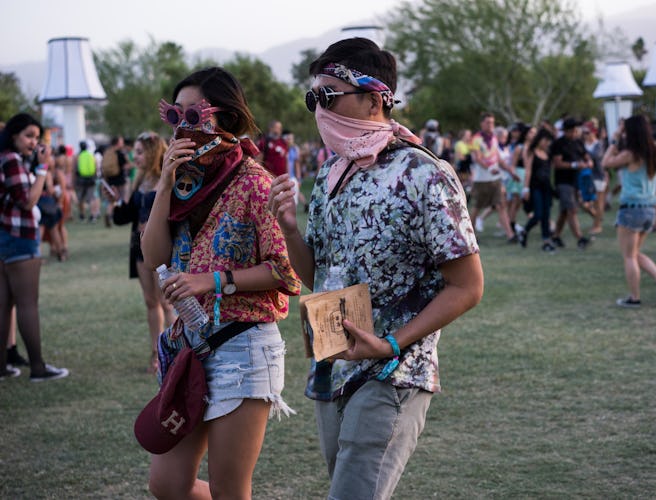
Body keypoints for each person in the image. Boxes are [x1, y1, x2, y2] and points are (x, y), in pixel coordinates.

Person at [268, 37, 483, 499]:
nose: (318, 109)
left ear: (374, 98)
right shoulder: (329, 174)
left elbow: (467, 286)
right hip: (332, 366)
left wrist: (389, 345)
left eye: (328, 96)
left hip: (394, 372)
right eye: (313, 99)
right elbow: (320, 274)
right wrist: (288, 231)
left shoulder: (425, 173)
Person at [140, 67, 301, 498]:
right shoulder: (183, 184)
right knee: (167, 484)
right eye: (175, 117)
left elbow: (287, 273)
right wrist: (163, 187)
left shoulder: (253, 181)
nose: (182, 128)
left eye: (194, 116)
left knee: (231, 489)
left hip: (243, 347)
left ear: (225, 117)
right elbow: (153, 257)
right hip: (190, 347)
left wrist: (211, 281)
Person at [0, 113, 69, 380]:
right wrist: (42, 169)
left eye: (37, 138)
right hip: (20, 237)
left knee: (4, 304)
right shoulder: (11, 160)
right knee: (27, 304)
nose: (33, 142)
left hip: (5, 236)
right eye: (29, 136)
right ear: (14, 135)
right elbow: (28, 202)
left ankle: (3, 366)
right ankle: (38, 367)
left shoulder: (7, 159)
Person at [105, 132, 176, 374]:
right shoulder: (139, 180)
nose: (134, 157)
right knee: (150, 301)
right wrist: (115, 202)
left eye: (139, 151)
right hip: (138, 247)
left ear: (153, 152)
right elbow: (124, 218)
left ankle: (177, 351)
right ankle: (156, 352)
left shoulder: (169, 179)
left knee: (167, 302)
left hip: (163, 248)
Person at [602, 115, 656, 308]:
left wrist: (615, 137)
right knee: (634, 253)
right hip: (649, 208)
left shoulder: (631, 153)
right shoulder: (654, 151)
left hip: (632, 209)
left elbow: (606, 163)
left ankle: (634, 298)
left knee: (629, 256)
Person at [471, 113, 516, 241]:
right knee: (477, 208)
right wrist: (491, 168)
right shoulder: (476, 139)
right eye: (488, 122)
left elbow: (498, 159)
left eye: (492, 122)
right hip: (481, 180)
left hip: (495, 179)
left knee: (501, 205)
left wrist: (511, 171)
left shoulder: (494, 138)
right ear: (482, 124)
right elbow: (478, 158)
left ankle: (510, 235)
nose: (491, 125)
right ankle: (471, 235)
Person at [550, 118, 592, 249]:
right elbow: (557, 163)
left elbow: (585, 155)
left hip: (576, 181)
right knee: (572, 209)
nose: (575, 133)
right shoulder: (559, 144)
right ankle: (580, 238)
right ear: (566, 131)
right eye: (573, 131)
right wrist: (574, 165)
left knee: (564, 211)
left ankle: (556, 236)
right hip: (563, 181)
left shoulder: (578, 142)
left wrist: (589, 162)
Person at [520, 127, 556, 251]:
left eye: (548, 141)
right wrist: (526, 189)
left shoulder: (548, 153)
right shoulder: (531, 152)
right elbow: (528, 171)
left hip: (546, 187)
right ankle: (524, 231)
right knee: (538, 214)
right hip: (535, 187)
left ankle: (546, 240)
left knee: (547, 214)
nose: (546, 143)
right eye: (545, 140)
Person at [74, 141, 97, 222]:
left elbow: (75, 169)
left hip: (80, 180)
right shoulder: (91, 155)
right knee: (91, 198)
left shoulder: (77, 156)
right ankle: (93, 215)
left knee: (81, 198)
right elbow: (95, 166)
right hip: (91, 179)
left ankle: (82, 215)